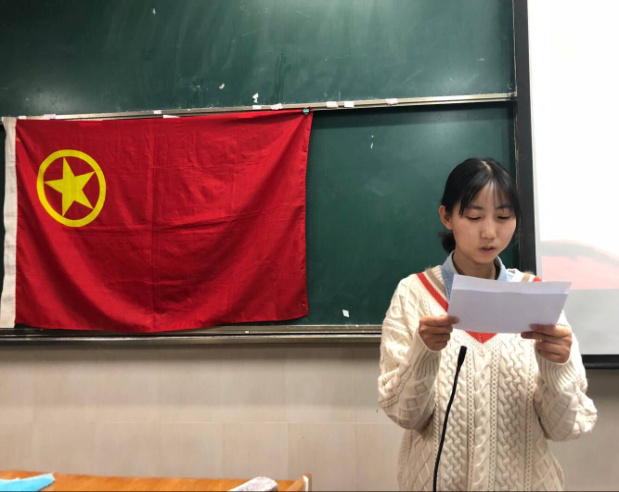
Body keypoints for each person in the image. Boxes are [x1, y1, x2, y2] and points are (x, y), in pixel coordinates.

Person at [378, 157, 597, 491]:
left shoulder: (536, 298)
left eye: (504, 216)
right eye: (474, 216)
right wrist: (424, 354)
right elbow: (404, 415)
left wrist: (558, 366)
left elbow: (564, 429)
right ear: (446, 216)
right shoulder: (414, 295)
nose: (490, 232)